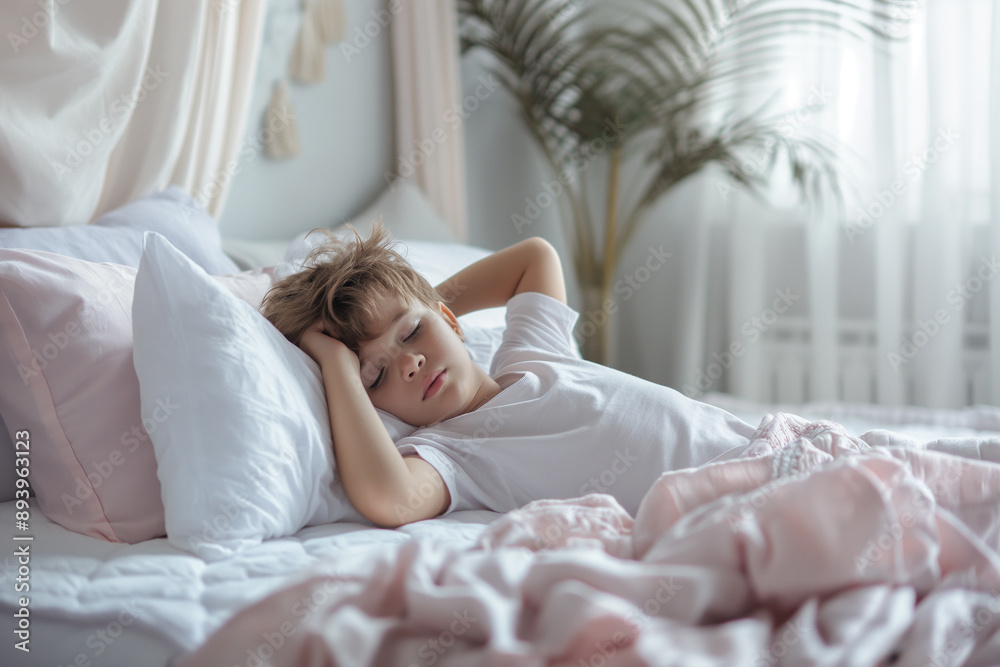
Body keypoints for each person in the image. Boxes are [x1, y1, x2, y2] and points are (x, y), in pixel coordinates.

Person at [261, 223, 755, 528]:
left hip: (763, 447)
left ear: (449, 319)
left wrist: (424, 305)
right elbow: (391, 499)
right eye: (377, 377)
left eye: (412, 333)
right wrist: (338, 368)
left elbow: (534, 256)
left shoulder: (531, 354)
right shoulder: (457, 454)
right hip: (730, 509)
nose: (409, 363)